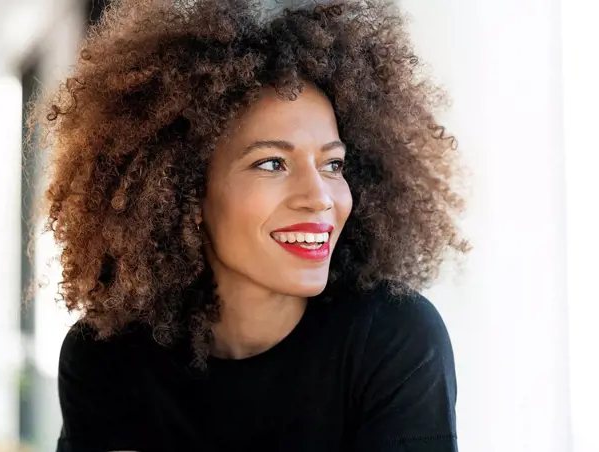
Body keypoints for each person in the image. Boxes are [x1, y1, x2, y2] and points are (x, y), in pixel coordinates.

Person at [27, 0, 469, 450]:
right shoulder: (108, 359)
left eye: (333, 164)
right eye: (272, 163)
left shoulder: (392, 340)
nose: (319, 196)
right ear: (184, 189)